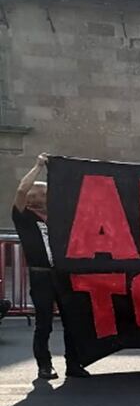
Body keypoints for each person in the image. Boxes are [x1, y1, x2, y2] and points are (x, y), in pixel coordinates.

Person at [12, 154, 89, 379]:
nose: (41, 193)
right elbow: (20, 191)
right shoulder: (23, 216)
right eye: (37, 191)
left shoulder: (58, 217)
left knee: (71, 321)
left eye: (44, 191)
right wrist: (38, 166)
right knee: (44, 323)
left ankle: (73, 364)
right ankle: (44, 365)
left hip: (62, 275)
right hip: (41, 276)